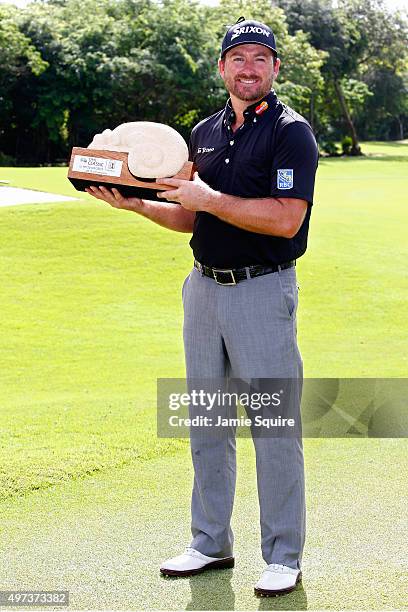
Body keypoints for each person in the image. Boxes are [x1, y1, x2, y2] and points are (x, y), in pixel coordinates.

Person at [85, 17, 318, 597]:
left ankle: (283, 554)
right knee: (208, 421)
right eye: (237, 57)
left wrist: (208, 196)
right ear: (221, 68)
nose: (248, 67)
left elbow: (286, 216)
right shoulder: (205, 131)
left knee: (271, 424)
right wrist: (134, 207)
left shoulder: (292, 133)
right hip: (203, 288)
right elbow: (190, 215)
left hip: (262, 289)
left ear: (274, 69)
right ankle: (210, 541)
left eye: (259, 58)